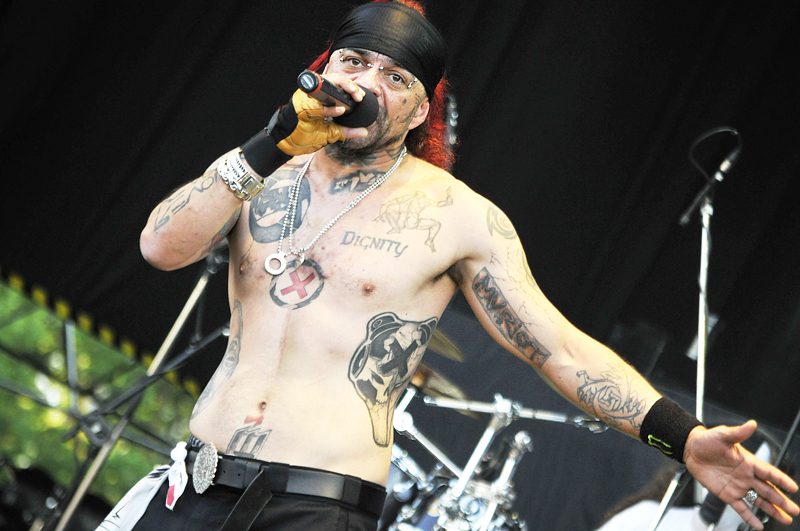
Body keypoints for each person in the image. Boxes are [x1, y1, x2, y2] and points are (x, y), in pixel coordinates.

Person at [99, 1, 799, 530]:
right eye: (354, 61)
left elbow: (558, 348)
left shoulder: (456, 214)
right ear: (324, 70)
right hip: (193, 485)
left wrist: (684, 437)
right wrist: (269, 143)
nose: (367, 81)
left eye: (394, 76)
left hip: (311, 504)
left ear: (417, 112)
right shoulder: (261, 174)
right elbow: (162, 247)